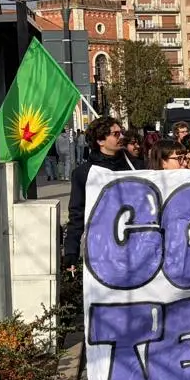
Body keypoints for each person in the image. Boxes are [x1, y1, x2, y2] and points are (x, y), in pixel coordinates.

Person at [64, 116, 136, 271]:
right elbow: (77, 214)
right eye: (116, 134)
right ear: (100, 141)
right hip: (102, 247)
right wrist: (71, 251)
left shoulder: (136, 166)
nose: (122, 137)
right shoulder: (83, 173)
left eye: (121, 132)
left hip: (136, 244)